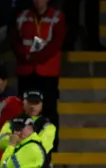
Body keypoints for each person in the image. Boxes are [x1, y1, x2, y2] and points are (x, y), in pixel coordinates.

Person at [12, 0, 66, 151]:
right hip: (26, 71)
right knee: (24, 111)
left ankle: (51, 147)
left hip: (47, 72)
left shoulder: (57, 17)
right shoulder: (22, 16)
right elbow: (15, 41)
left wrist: (36, 57)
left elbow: (56, 43)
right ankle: (24, 145)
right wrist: (25, 56)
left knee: (49, 110)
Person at [0, 90, 57, 168]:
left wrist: (14, 141)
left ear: (41, 104)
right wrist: (24, 139)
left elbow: (41, 147)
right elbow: (1, 141)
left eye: (36, 103)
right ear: (23, 102)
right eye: (30, 102)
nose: (33, 106)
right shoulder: (12, 121)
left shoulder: (48, 126)